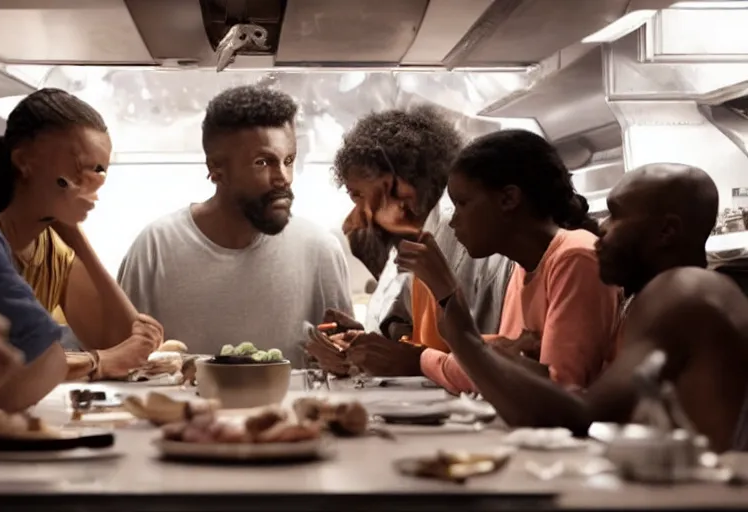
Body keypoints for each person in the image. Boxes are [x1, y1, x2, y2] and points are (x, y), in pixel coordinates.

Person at [404, 161, 748, 453]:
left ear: (666, 231)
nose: (601, 227)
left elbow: (581, 417)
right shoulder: (645, 298)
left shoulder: (682, 292)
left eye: (616, 216)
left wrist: (461, 330)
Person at [117, 85, 352, 365]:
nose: (283, 178)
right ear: (216, 169)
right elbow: (121, 355)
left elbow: (344, 364)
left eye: (288, 161)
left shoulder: (319, 248)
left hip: (291, 410)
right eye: (262, 162)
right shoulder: (156, 246)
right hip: (185, 410)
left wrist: (345, 352)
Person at [398, 130, 622, 393]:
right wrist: (502, 351)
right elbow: (496, 371)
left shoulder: (575, 257)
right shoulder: (524, 266)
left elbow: (555, 392)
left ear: (508, 199)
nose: (453, 221)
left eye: (463, 203)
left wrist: (447, 292)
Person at [305, 106, 514, 376]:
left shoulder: (469, 241)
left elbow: (485, 354)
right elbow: (411, 336)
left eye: (358, 195)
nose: (353, 220)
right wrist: (361, 340)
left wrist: (414, 362)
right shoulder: (407, 241)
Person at [0, 88, 163, 382]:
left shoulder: (54, 250)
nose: (89, 187)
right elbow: (19, 361)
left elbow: (124, 345)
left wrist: (78, 240)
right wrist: (99, 362)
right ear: (25, 161)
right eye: (79, 170)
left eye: (98, 172)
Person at [0, 215, 66, 411]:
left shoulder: (58, 252)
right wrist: (95, 361)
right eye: (78, 181)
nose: (94, 194)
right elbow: (46, 359)